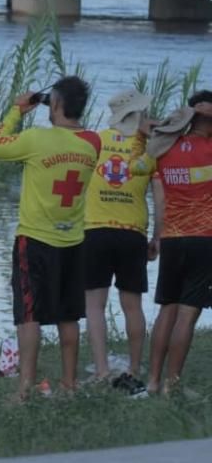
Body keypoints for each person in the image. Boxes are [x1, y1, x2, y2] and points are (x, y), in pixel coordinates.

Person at [0, 76, 101, 401]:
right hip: (73, 242)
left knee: (29, 315)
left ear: (57, 104)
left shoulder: (37, 139)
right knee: (68, 315)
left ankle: (24, 388)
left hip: (34, 240)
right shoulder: (93, 143)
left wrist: (18, 110)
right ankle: (69, 385)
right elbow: (72, 135)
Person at [80, 90, 156, 395]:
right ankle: (135, 370)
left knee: (94, 306)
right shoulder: (150, 148)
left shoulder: (96, 141)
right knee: (132, 305)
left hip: (95, 230)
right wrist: (158, 236)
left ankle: (100, 371)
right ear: (138, 113)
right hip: (132, 232)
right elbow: (161, 197)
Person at [144, 92, 212, 396]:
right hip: (204, 240)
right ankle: (172, 385)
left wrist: (172, 122)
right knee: (187, 314)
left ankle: (153, 381)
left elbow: (144, 126)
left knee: (166, 311)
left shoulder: (164, 147)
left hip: (171, 239)